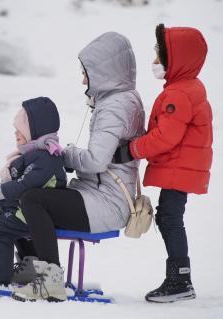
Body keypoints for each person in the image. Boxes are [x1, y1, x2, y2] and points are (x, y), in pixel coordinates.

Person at [12, 32, 145, 302]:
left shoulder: (114, 107)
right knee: (30, 196)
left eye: (87, 73)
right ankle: (31, 273)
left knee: (32, 199)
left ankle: (49, 281)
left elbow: (96, 160)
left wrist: (66, 155)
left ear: (104, 71)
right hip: (104, 196)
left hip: (106, 203)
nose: (84, 80)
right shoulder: (121, 100)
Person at [113, 24, 213, 303]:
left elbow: (165, 137)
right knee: (169, 217)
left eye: (160, 56)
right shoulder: (185, 88)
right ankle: (180, 277)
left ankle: (180, 280)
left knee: (170, 218)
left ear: (176, 59)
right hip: (182, 166)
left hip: (180, 167)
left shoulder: (179, 94)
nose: (155, 63)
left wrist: (130, 150)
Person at [0, 96, 67, 287]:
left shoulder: (45, 158)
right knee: (6, 223)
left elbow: (25, 184)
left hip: (37, 215)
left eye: (21, 130)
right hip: (28, 212)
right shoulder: (36, 155)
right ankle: (29, 266)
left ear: (34, 131)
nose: (16, 134)